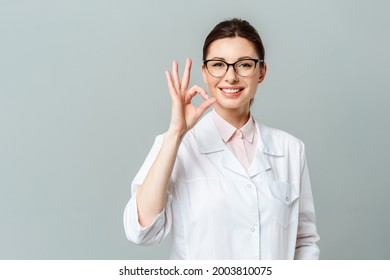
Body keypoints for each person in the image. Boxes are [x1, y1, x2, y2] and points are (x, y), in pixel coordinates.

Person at [123, 18, 320, 259]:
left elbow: (304, 241)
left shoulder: (290, 149)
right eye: (218, 65)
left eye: (244, 65)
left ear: (261, 72)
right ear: (204, 73)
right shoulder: (177, 145)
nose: (231, 77)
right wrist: (175, 133)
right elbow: (140, 230)